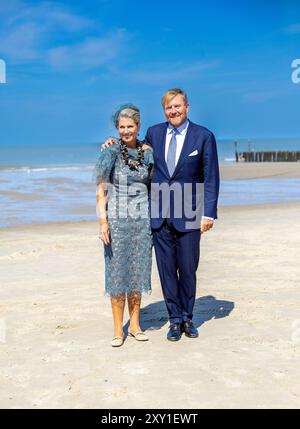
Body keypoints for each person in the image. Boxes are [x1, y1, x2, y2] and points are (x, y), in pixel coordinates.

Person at [103, 88, 220, 342]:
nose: (173, 111)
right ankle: (174, 320)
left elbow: (211, 177)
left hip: (189, 212)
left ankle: (188, 317)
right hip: (157, 213)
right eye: (169, 108)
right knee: (167, 271)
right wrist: (112, 141)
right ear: (164, 110)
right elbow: (131, 146)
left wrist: (208, 214)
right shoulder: (154, 134)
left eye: (177, 106)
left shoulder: (203, 136)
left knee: (188, 269)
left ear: (187, 106)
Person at [95, 104, 154, 347]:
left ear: (138, 127)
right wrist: (103, 222)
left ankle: (136, 326)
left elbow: (155, 184)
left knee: (138, 273)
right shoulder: (109, 152)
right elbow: (101, 189)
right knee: (118, 275)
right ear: (117, 128)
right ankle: (119, 329)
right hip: (117, 223)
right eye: (122, 127)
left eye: (130, 126)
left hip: (142, 222)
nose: (126, 131)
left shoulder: (148, 153)